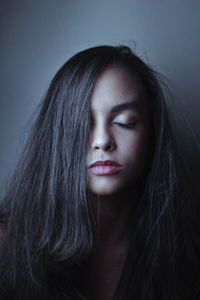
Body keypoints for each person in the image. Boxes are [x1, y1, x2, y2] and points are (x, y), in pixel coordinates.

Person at [0, 45, 199, 300]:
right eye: (82, 122)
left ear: (152, 135)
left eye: (125, 122)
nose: (102, 141)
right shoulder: (8, 246)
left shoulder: (186, 252)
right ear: (56, 134)